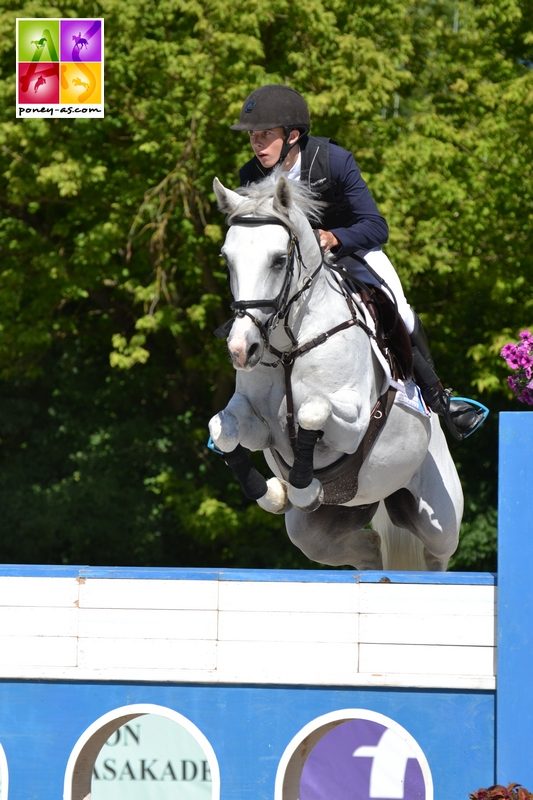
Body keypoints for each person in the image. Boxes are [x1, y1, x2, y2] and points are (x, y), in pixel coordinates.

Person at [230, 84, 487, 441]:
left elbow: (376, 226)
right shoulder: (250, 175)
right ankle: (245, 403)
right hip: (291, 268)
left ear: (292, 135)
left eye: (265, 135)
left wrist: (335, 237)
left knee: (400, 309)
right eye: (253, 136)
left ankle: (440, 400)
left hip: (349, 251)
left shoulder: (334, 160)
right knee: (253, 309)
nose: (257, 144)